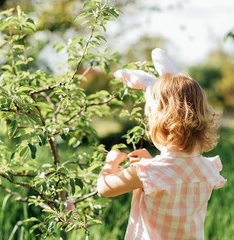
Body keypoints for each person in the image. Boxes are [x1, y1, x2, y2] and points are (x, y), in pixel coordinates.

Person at [97, 49, 226, 240]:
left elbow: (105, 188)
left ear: (162, 124)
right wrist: (150, 161)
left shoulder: (147, 173)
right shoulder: (207, 169)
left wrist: (110, 163)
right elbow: (174, 176)